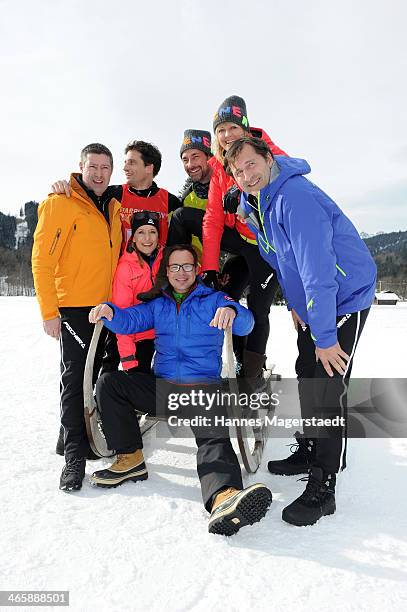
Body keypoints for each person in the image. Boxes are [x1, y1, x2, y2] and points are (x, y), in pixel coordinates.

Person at [225, 136, 377, 526]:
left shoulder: (294, 197)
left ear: (268, 157)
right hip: (313, 301)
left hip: (344, 293)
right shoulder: (259, 201)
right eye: (238, 172)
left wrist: (325, 336)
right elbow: (282, 259)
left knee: (326, 383)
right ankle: (310, 448)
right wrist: (296, 305)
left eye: (251, 164)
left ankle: (324, 486)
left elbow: (317, 270)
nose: (246, 175)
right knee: (306, 372)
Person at [88, 244, 272, 536]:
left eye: (187, 266)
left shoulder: (212, 300)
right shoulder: (158, 305)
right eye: (175, 267)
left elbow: (247, 324)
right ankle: (130, 457)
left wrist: (232, 309)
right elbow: (129, 320)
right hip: (163, 390)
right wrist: (110, 310)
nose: (181, 273)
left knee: (212, 433)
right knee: (111, 383)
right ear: (167, 271)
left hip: (201, 389)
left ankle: (223, 495)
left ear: (197, 270)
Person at [32, 143, 122, 492]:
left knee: (96, 375)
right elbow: (42, 261)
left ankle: (65, 437)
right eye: (93, 166)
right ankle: (74, 460)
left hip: (105, 309)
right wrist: (49, 312)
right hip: (73, 308)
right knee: (75, 382)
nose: (99, 173)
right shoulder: (60, 203)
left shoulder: (112, 206)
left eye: (105, 167)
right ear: (81, 167)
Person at [201, 95, 288, 380]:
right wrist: (210, 268)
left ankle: (253, 374)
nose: (227, 136)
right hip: (242, 245)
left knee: (259, 309)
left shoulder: (269, 154)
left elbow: (284, 197)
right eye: (221, 130)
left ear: (246, 128)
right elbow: (213, 219)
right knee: (228, 299)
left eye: (233, 128)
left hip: (267, 247)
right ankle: (238, 362)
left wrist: (243, 195)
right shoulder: (217, 166)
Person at [51, 140, 181, 247]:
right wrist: (64, 186)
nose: (125, 168)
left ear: (149, 168)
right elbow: (84, 192)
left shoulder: (170, 201)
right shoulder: (112, 194)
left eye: (132, 162)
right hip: (121, 273)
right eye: (125, 163)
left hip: (157, 273)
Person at [112, 211, 164, 372]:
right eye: (141, 232)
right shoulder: (125, 268)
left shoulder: (167, 259)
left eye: (152, 232)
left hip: (165, 336)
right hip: (140, 340)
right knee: (143, 389)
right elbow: (123, 317)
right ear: (133, 237)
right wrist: (129, 361)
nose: (147, 239)